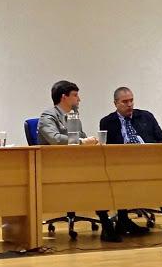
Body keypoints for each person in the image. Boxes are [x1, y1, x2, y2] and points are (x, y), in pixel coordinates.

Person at [38, 80, 139, 242]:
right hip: (55, 168)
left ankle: (121, 219)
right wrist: (81, 142)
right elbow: (55, 140)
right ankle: (106, 224)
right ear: (64, 97)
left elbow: (82, 137)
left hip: (76, 164)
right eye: (76, 95)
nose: (79, 99)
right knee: (97, 181)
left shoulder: (73, 114)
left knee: (108, 174)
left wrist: (92, 142)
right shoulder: (47, 117)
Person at [100, 86, 162, 234]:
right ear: (115, 103)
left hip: (152, 163)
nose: (129, 104)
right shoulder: (107, 122)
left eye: (131, 100)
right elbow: (106, 150)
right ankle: (119, 221)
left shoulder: (146, 117)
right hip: (122, 167)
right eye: (125, 101)